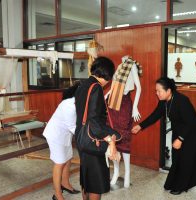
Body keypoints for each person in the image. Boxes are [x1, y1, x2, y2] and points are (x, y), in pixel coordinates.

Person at [132, 77, 196, 195]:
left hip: (191, 130)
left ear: (169, 91)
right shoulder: (164, 102)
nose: (157, 93)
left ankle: (181, 186)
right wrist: (140, 126)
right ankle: (173, 182)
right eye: (156, 91)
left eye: (159, 91)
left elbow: (191, 121)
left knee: (186, 158)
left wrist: (181, 139)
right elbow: (155, 115)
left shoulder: (182, 100)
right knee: (176, 156)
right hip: (179, 128)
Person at [74, 56, 120, 200]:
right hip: (93, 139)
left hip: (82, 137)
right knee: (96, 183)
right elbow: (94, 121)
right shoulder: (96, 88)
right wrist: (110, 141)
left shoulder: (83, 85)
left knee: (87, 178)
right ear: (107, 74)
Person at [107, 55, 142, 188]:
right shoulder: (120, 66)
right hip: (113, 104)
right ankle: (116, 172)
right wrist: (105, 96)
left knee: (125, 139)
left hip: (125, 105)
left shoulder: (130, 64)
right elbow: (114, 87)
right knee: (113, 138)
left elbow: (139, 88)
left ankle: (127, 173)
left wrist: (135, 107)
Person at [43, 83, 81, 200]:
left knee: (68, 159)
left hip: (65, 135)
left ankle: (65, 184)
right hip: (55, 135)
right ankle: (57, 194)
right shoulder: (69, 105)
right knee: (59, 163)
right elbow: (73, 127)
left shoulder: (78, 102)